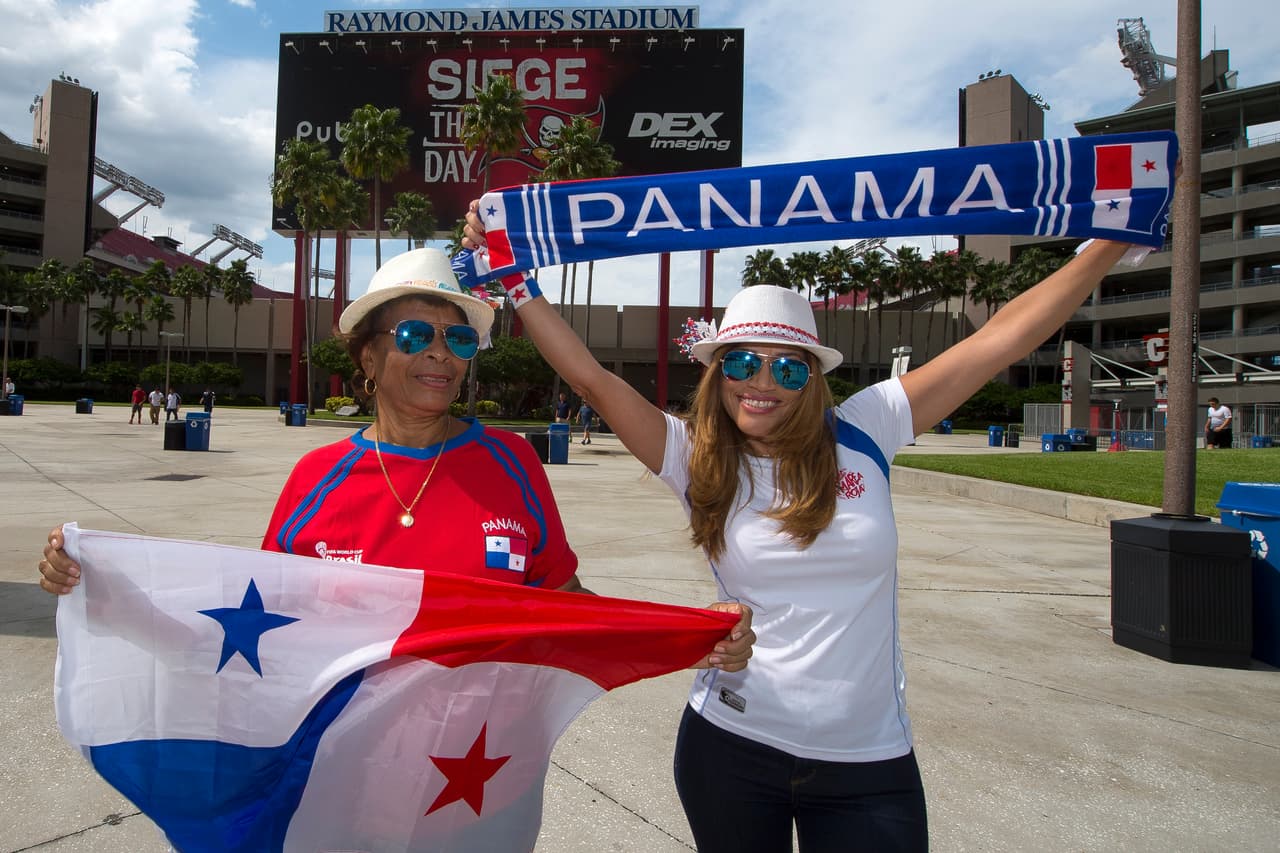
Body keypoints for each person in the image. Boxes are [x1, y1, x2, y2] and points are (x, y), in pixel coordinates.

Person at [466, 201, 1141, 852]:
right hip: (730, 750)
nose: (762, 381)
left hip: (868, 765)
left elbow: (1000, 341)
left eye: (787, 365)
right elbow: (591, 379)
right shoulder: (694, 454)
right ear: (717, 371)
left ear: (812, 377)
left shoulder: (868, 427)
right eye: (742, 361)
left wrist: (1111, 240)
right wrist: (513, 277)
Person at [39, 249, 752, 657]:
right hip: (345, 768)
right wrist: (102, 581)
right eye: (415, 337)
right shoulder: (316, 479)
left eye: (459, 338)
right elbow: (253, 614)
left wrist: (679, 636)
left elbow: (562, 600)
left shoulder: (511, 463)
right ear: (369, 357)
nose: (441, 354)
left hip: (479, 770)